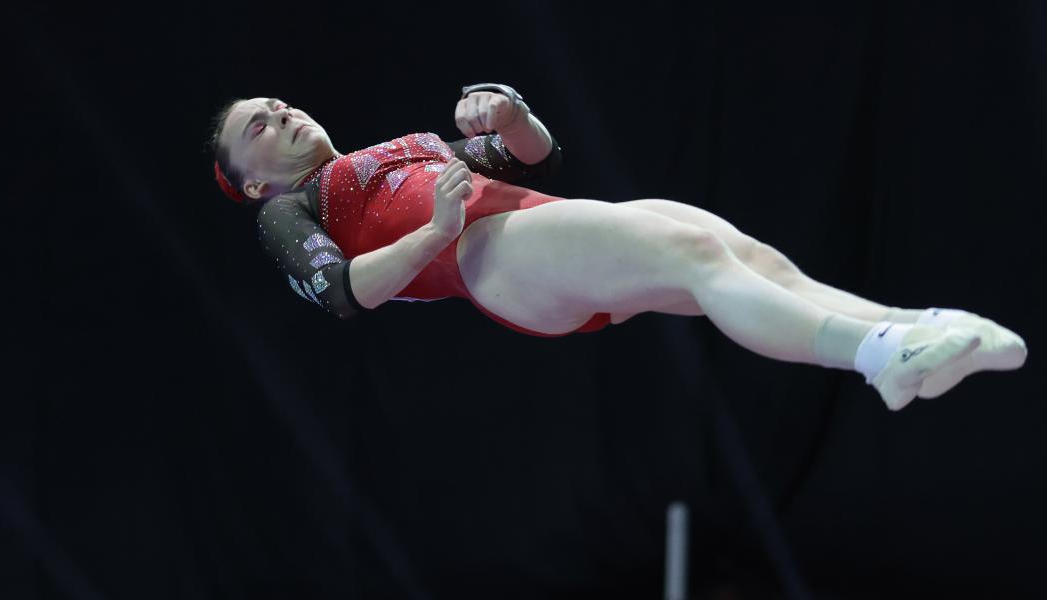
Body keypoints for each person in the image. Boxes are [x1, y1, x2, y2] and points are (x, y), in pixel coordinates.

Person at [208, 83, 1027, 411]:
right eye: (259, 126)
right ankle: (882, 351)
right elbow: (346, 293)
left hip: (529, 225)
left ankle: (914, 327)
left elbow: (533, 157)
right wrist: (436, 233)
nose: (279, 116)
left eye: (277, 105)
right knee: (699, 259)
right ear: (250, 181)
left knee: (739, 252)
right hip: (491, 256)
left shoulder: (391, 152)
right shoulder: (290, 212)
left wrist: (509, 112)